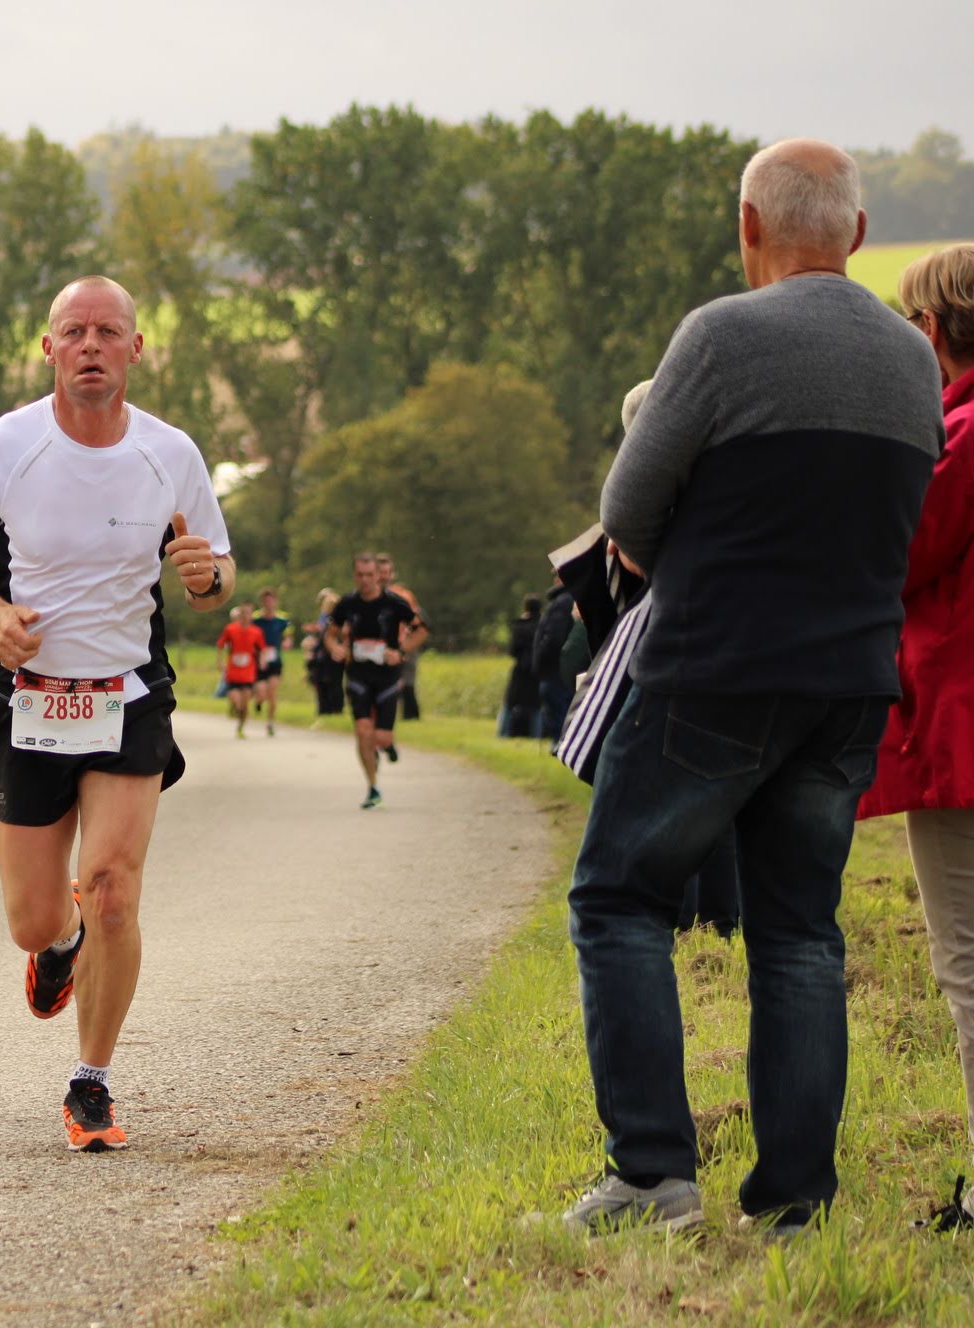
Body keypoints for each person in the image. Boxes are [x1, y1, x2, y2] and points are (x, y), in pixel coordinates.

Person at [557, 139, 942, 1237]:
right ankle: (795, 1199)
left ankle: (651, 1175)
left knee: (619, 897)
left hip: (715, 669)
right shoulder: (913, 359)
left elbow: (628, 509)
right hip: (850, 682)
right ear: (858, 233)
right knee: (800, 933)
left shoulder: (721, 335)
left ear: (749, 226)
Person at [0, 275, 233, 1153]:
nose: (90, 345)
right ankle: (58, 944)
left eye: (107, 331)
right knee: (33, 918)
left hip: (128, 695)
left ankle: (90, 1082)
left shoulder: (170, 452)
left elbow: (216, 573)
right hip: (27, 700)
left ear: (136, 348)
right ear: (49, 348)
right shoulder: (7, 445)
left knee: (113, 892)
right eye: (74, 331)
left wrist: (208, 579)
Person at [856, 242, 974, 1230]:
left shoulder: (960, 435)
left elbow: (894, 556)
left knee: (966, 958)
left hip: (964, 731)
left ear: (931, 329)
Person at [324, 552, 416, 809]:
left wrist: (401, 652)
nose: (365, 580)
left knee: (381, 737)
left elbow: (421, 629)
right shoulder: (347, 604)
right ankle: (373, 787)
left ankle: (387, 743)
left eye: (369, 575)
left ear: (379, 576)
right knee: (363, 731)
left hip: (387, 677)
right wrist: (334, 647)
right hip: (358, 675)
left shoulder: (395, 603)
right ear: (355, 576)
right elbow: (330, 634)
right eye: (360, 575)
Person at [376, 554, 428, 721]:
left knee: (406, 682)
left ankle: (410, 717)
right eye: (380, 572)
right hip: (378, 647)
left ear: (392, 574)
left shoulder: (403, 596)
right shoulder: (366, 596)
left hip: (403, 644)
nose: (384, 576)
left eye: (387, 572)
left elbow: (417, 623)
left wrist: (406, 646)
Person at [531, 580, 575, 744]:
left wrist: (541, 657)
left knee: (557, 710)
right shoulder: (570, 599)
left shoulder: (561, 603)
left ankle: (561, 745)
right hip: (562, 668)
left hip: (554, 669)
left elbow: (554, 638)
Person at [215, 603, 263, 738]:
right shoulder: (230, 629)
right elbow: (220, 645)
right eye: (244, 613)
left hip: (248, 671)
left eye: (248, 613)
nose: (246, 616)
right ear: (240, 615)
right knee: (237, 700)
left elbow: (261, 648)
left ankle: (241, 727)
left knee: (245, 703)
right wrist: (220, 662)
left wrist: (262, 661)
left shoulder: (256, 631)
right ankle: (233, 706)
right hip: (233, 671)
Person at [250, 588, 291, 736]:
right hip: (259, 660)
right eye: (266, 600)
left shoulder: (283, 619)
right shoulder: (255, 618)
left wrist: (287, 642)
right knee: (262, 693)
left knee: (273, 691)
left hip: (275, 660)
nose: (269, 603)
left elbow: (288, 636)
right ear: (262, 602)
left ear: (275, 601)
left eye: (271, 600)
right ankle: (259, 701)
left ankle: (270, 723)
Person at [500, 593, 541, 738]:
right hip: (536, 669)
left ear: (525, 608)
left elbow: (512, 651)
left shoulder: (519, 626)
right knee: (536, 705)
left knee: (510, 702)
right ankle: (536, 734)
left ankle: (504, 732)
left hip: (520, 669)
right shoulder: (541, 625)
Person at [304, 588, 346, 716]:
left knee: (333, 683)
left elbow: (330, 635)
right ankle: (326, 710)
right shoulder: (325, 618)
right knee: (325, 683)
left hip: (331, 655)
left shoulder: (337, 620)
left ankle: (333, 710)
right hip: (324, 655)